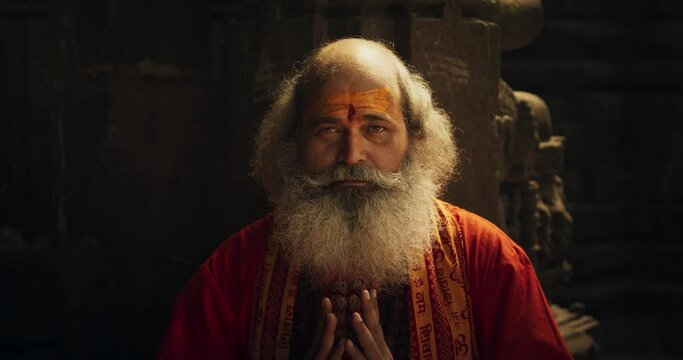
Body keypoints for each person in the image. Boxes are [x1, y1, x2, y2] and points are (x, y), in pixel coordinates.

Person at [156, 38, 571, 360]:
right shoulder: (231, 274)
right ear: (292, 144)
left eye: (375, 128)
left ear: (415, 142)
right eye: (328, 130)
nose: (351, 156)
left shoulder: (488, 260)